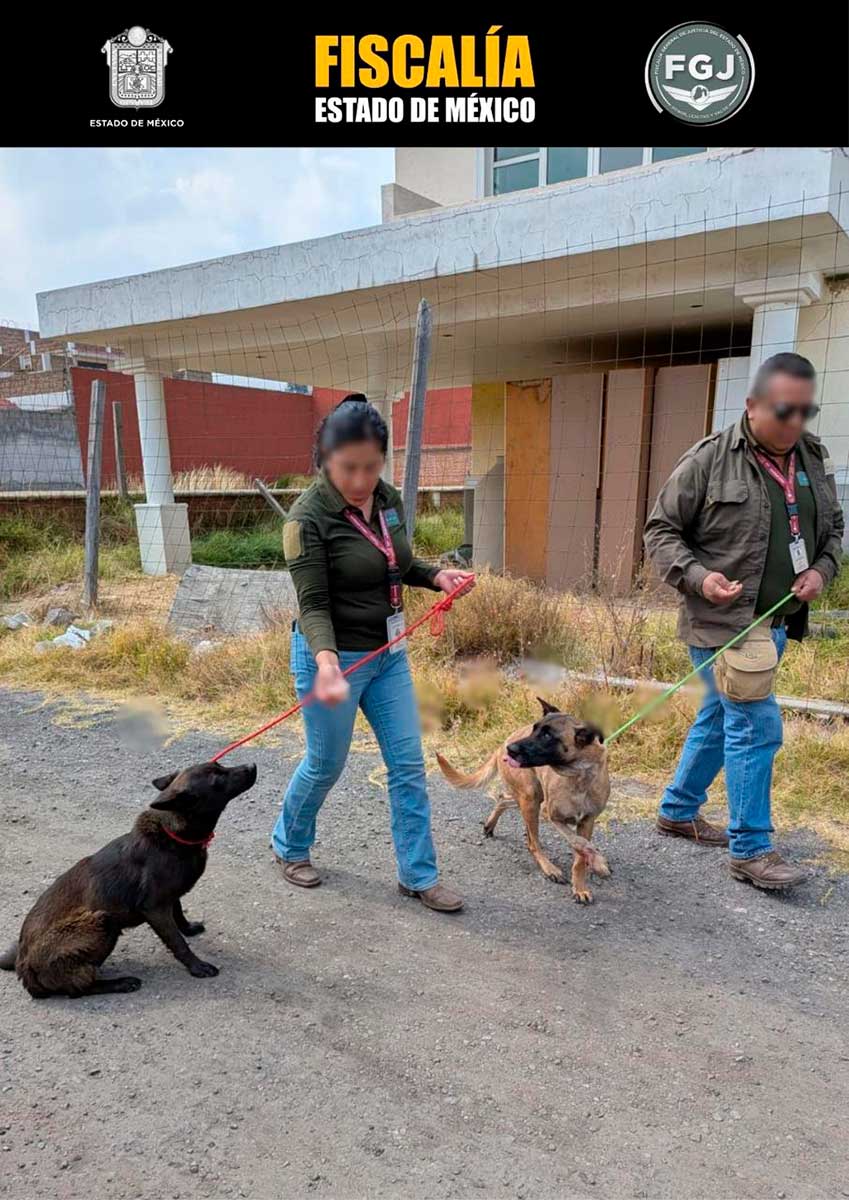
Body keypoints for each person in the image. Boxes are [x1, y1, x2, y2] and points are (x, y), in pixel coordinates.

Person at [644, 353, 844, 890]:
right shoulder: (709, 459)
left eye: (805, 410)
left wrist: (822, 572)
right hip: (722, 622)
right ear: (752, 405)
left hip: (777, 620)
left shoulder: (812, 456)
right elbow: (660, 531)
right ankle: (752, 849)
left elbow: (834, 530)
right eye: (784, 410)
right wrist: (698, 576)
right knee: (756, 725)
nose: (795, 421)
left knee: (718, 714)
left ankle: (677, 810)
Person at [270, 395, 474, 912]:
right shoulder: (306, 519)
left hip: (389, 656)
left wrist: (433, 576)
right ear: (324, 460)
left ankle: (418, 875)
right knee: (325, 764)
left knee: (408, 764)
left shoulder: (387, 499)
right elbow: (312, 602)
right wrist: (325, 660)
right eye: (348, 468)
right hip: (333, 659)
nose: (361, 480)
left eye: (371, 466)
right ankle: (289, 844)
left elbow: (394, 563)